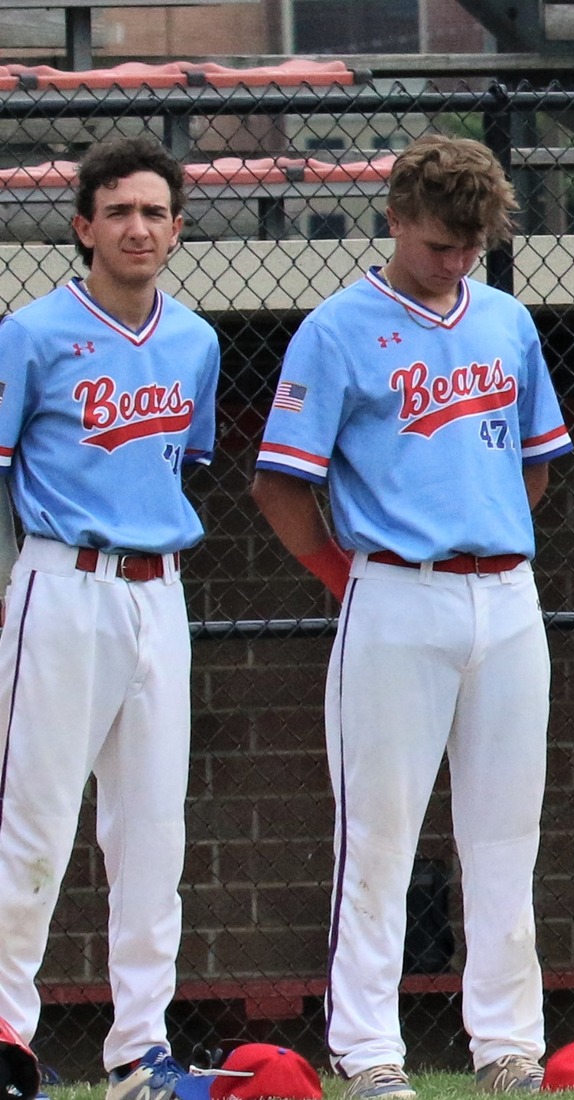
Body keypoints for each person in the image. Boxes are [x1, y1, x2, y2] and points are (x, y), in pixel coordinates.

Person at [253, 134, 570, 1098]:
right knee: (379, 836)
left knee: (507, 832)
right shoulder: (337, 327)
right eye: (440, 243)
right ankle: (369, 1052)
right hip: (392, 585)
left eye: (472, 245)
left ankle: (508, 1045)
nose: (457, 261)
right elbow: (280, 484)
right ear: (393, 218)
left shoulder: (507, 320)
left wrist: (487, 533)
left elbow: (538, 461)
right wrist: (343, 575)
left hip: (507, 594)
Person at [0, 134, 214, 1100]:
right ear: (82, 226)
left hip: (158, 589)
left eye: (155, 212)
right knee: (34, 821)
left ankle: (139, 1049)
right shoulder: (31, 332)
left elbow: (188, 462)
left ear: (177, 228)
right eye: (118, 210)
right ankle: (6, 1035)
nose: (138, 227)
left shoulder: (195, 341)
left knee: (152, 831)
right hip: (60, 579)